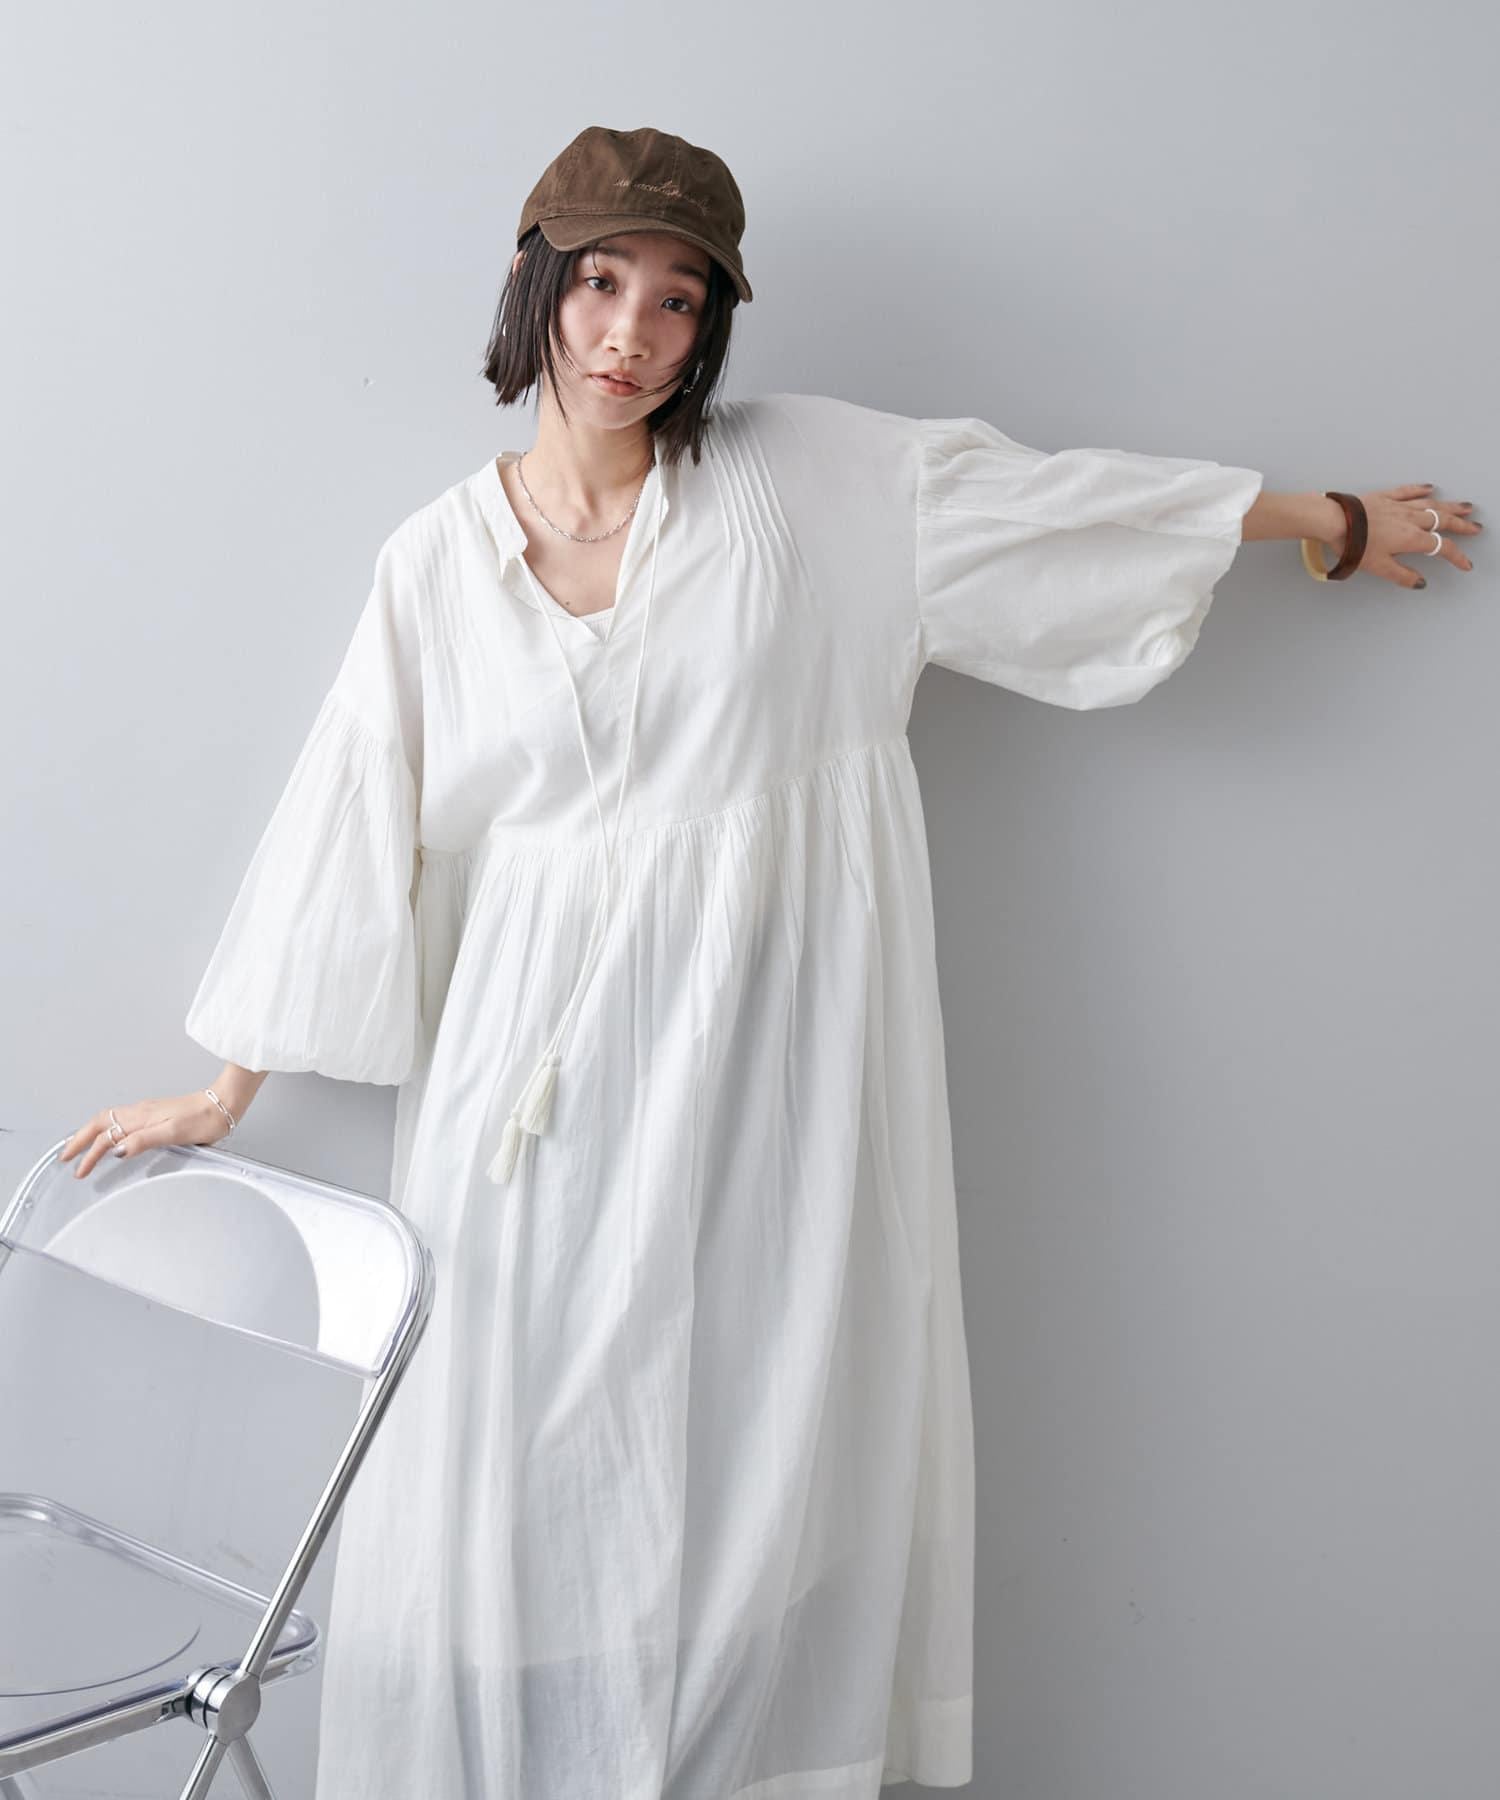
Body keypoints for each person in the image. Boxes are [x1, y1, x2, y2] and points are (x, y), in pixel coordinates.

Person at [59, 124, 1480, 1798]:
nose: (630, 335)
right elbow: (351, 815)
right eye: (601, 283)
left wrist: (1327, 520)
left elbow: (1057, 506)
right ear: (534, 282)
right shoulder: (434, 562)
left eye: (678, 300)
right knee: (510, 1484)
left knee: (761, 1457)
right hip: (526, 1099)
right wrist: (228, 1088)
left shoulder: (811, 482)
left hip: (773, 1075)